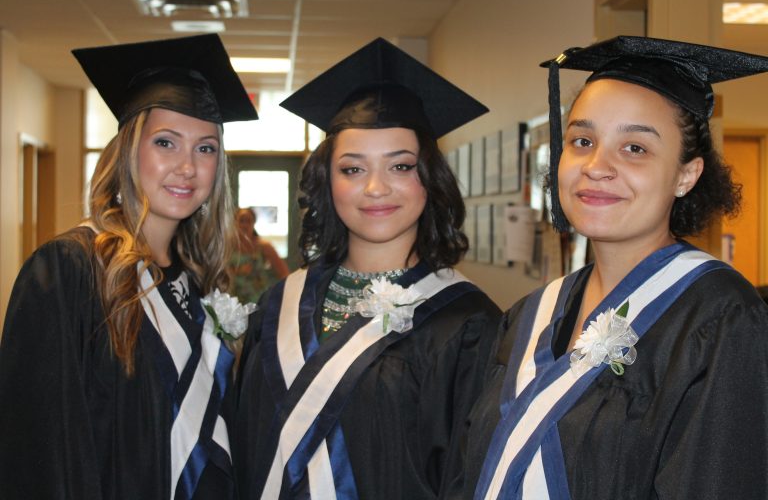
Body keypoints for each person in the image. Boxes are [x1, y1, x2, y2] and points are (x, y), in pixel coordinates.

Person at [467, 36, 768, 500]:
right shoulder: (529, 315)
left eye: (635, 148)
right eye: (582, 141)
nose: (596, 165)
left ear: (686, 175)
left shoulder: (720, 320)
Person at [232, 37, 502, 499]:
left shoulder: (467, 323)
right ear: (327, 181)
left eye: (401, 166)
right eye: (353, 169)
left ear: (430, 179)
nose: (376, 188)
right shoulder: (280, 304)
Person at [0, 34, 258, 499]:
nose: (187, 167)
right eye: (166, 143)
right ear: (127, 151)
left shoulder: (195, 279)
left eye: (205, 148)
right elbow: (40, 446)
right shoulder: (70, 271)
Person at [229, 207, 290, 304]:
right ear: (235, 223)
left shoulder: (263, 246)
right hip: (233, 301)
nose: (244, 225)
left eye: (248, 221)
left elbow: (284, 273)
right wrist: (237, 271)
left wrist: (282, 296)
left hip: (258, 300)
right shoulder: (228, 247)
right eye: (241, 221)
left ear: (253, 223)